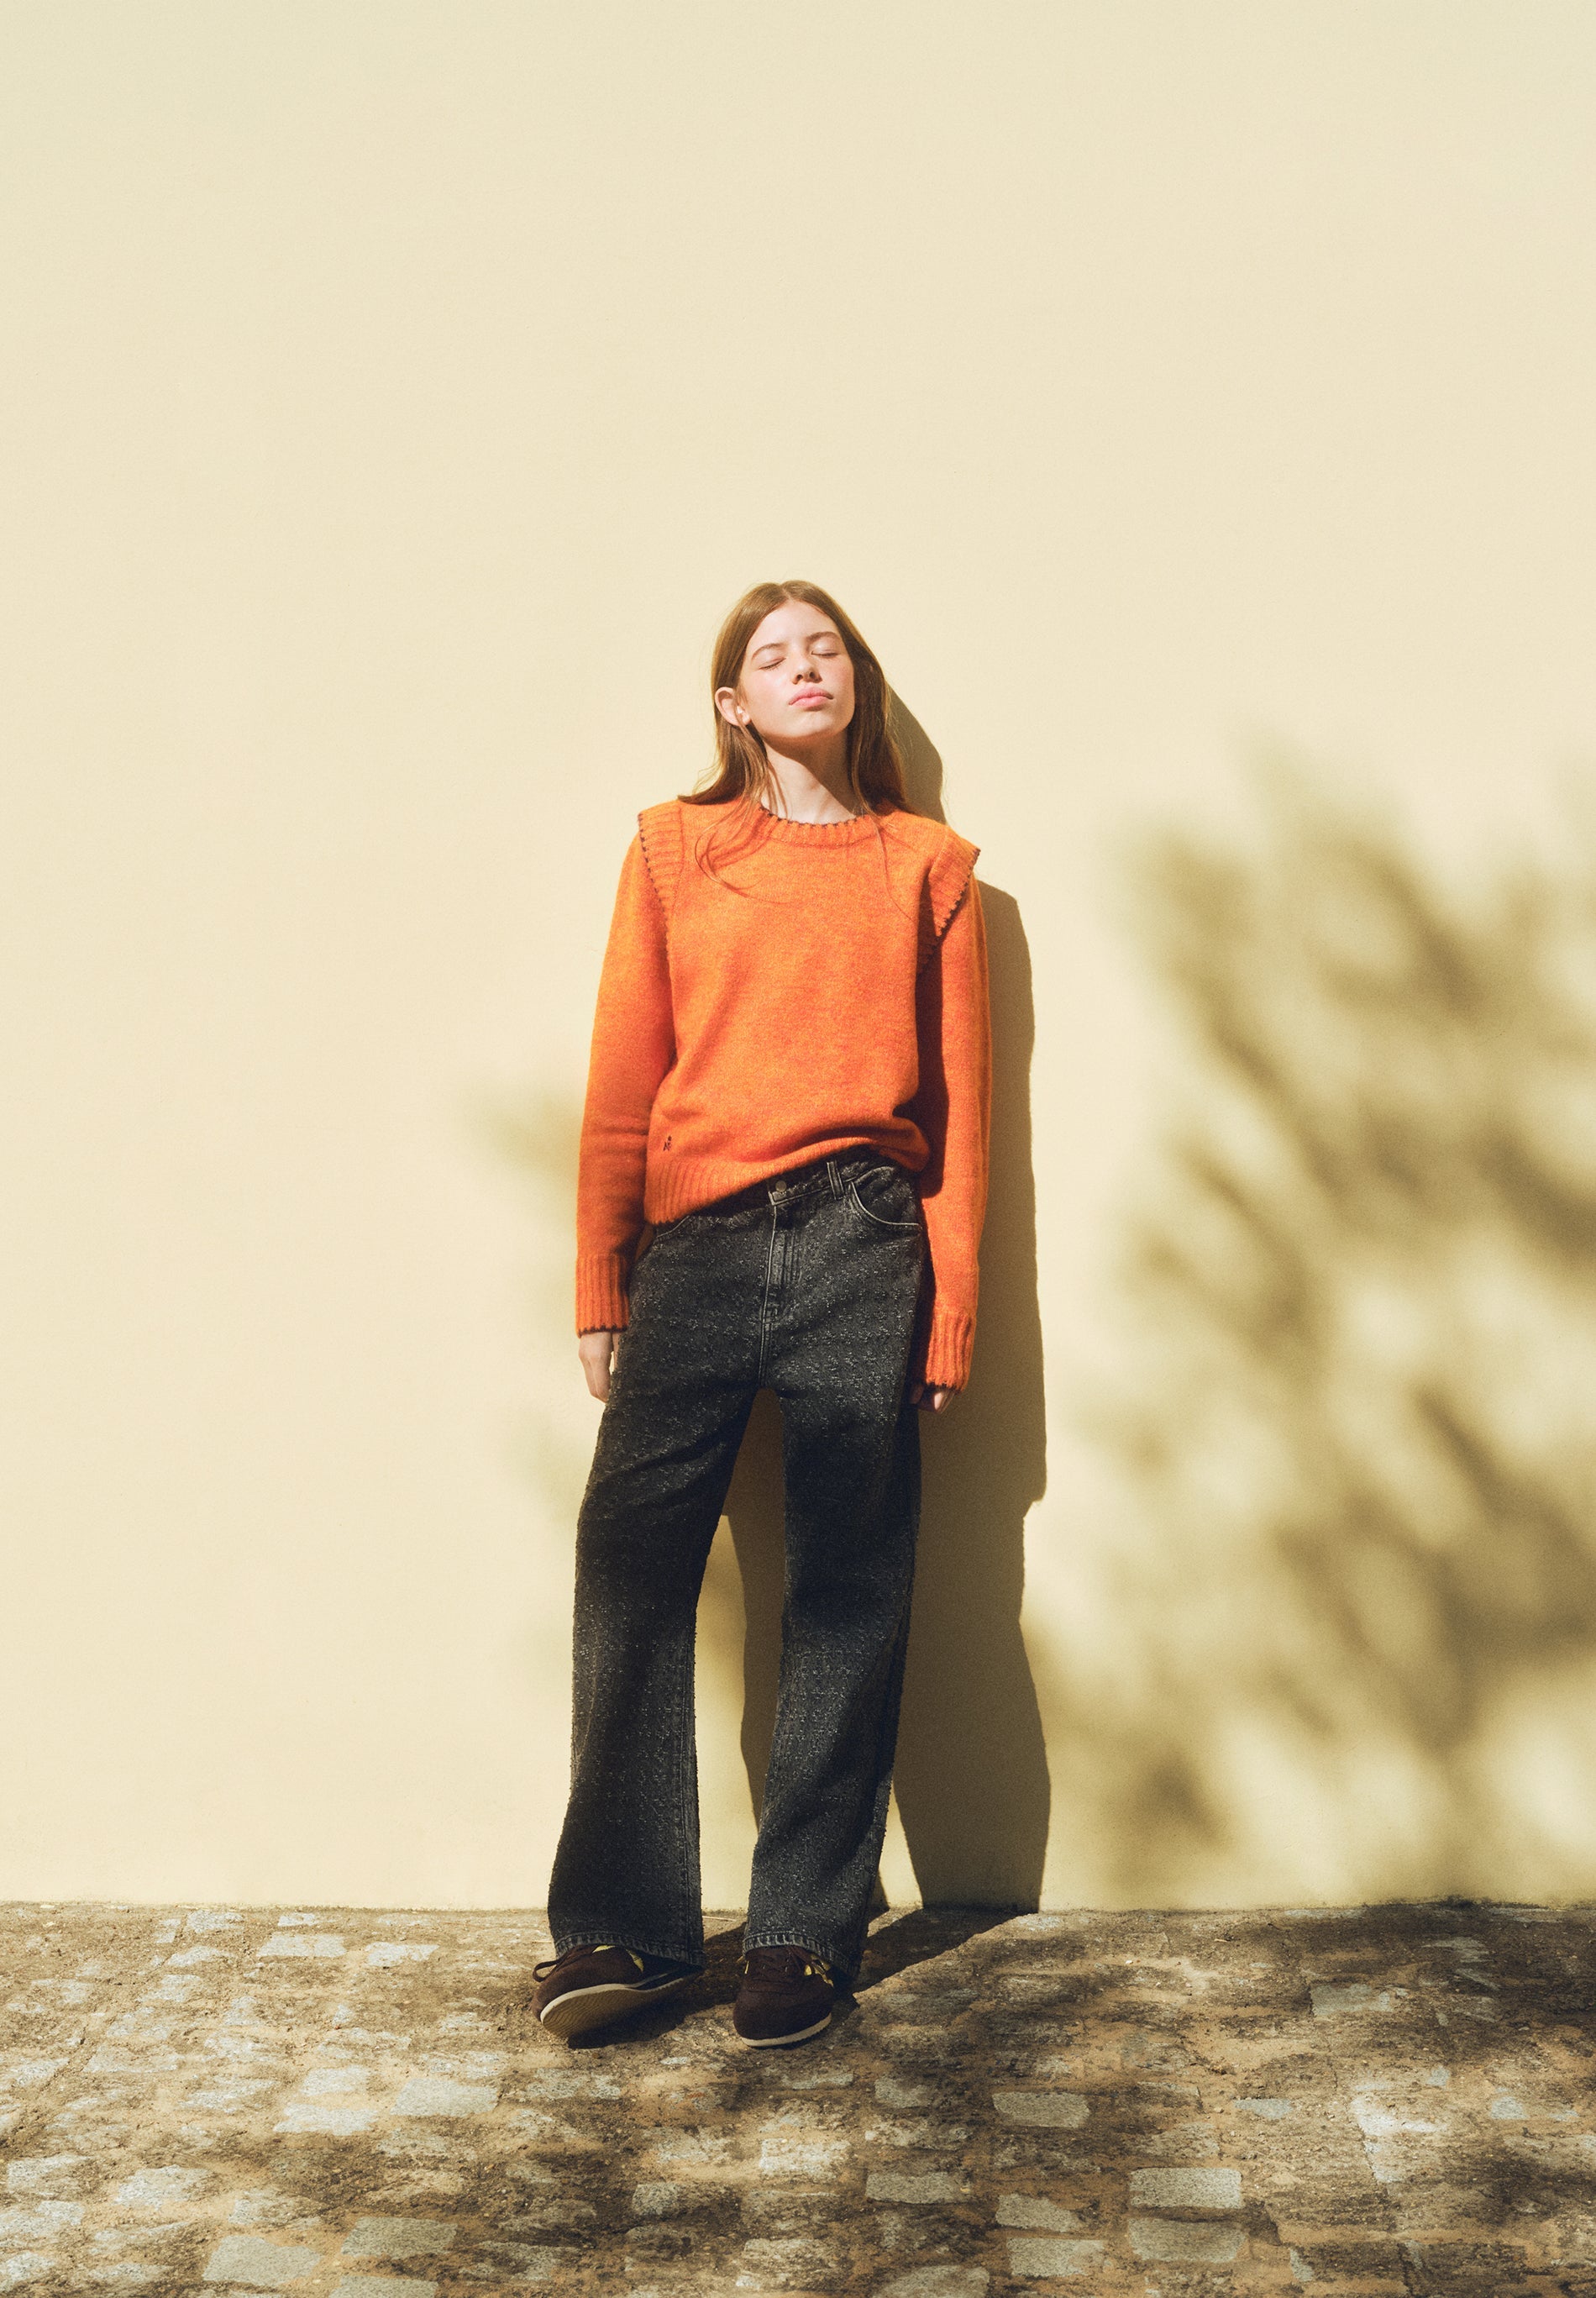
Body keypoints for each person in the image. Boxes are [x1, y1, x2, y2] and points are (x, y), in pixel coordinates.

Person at [533, 579, 992, 2048]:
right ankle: (624, 1930)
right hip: (701, 1247)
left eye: (826, 649)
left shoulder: (929, 868)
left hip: (865, 1237)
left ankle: (803, 1930)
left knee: (850, 1581)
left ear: (856, 684)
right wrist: (603, 1275)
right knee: (629, 1559)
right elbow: (624, 1076)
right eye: (774, 657)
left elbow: (964, 1115)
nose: (807, 669)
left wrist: (951, 1307)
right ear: (733, 703)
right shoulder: (674, 850)